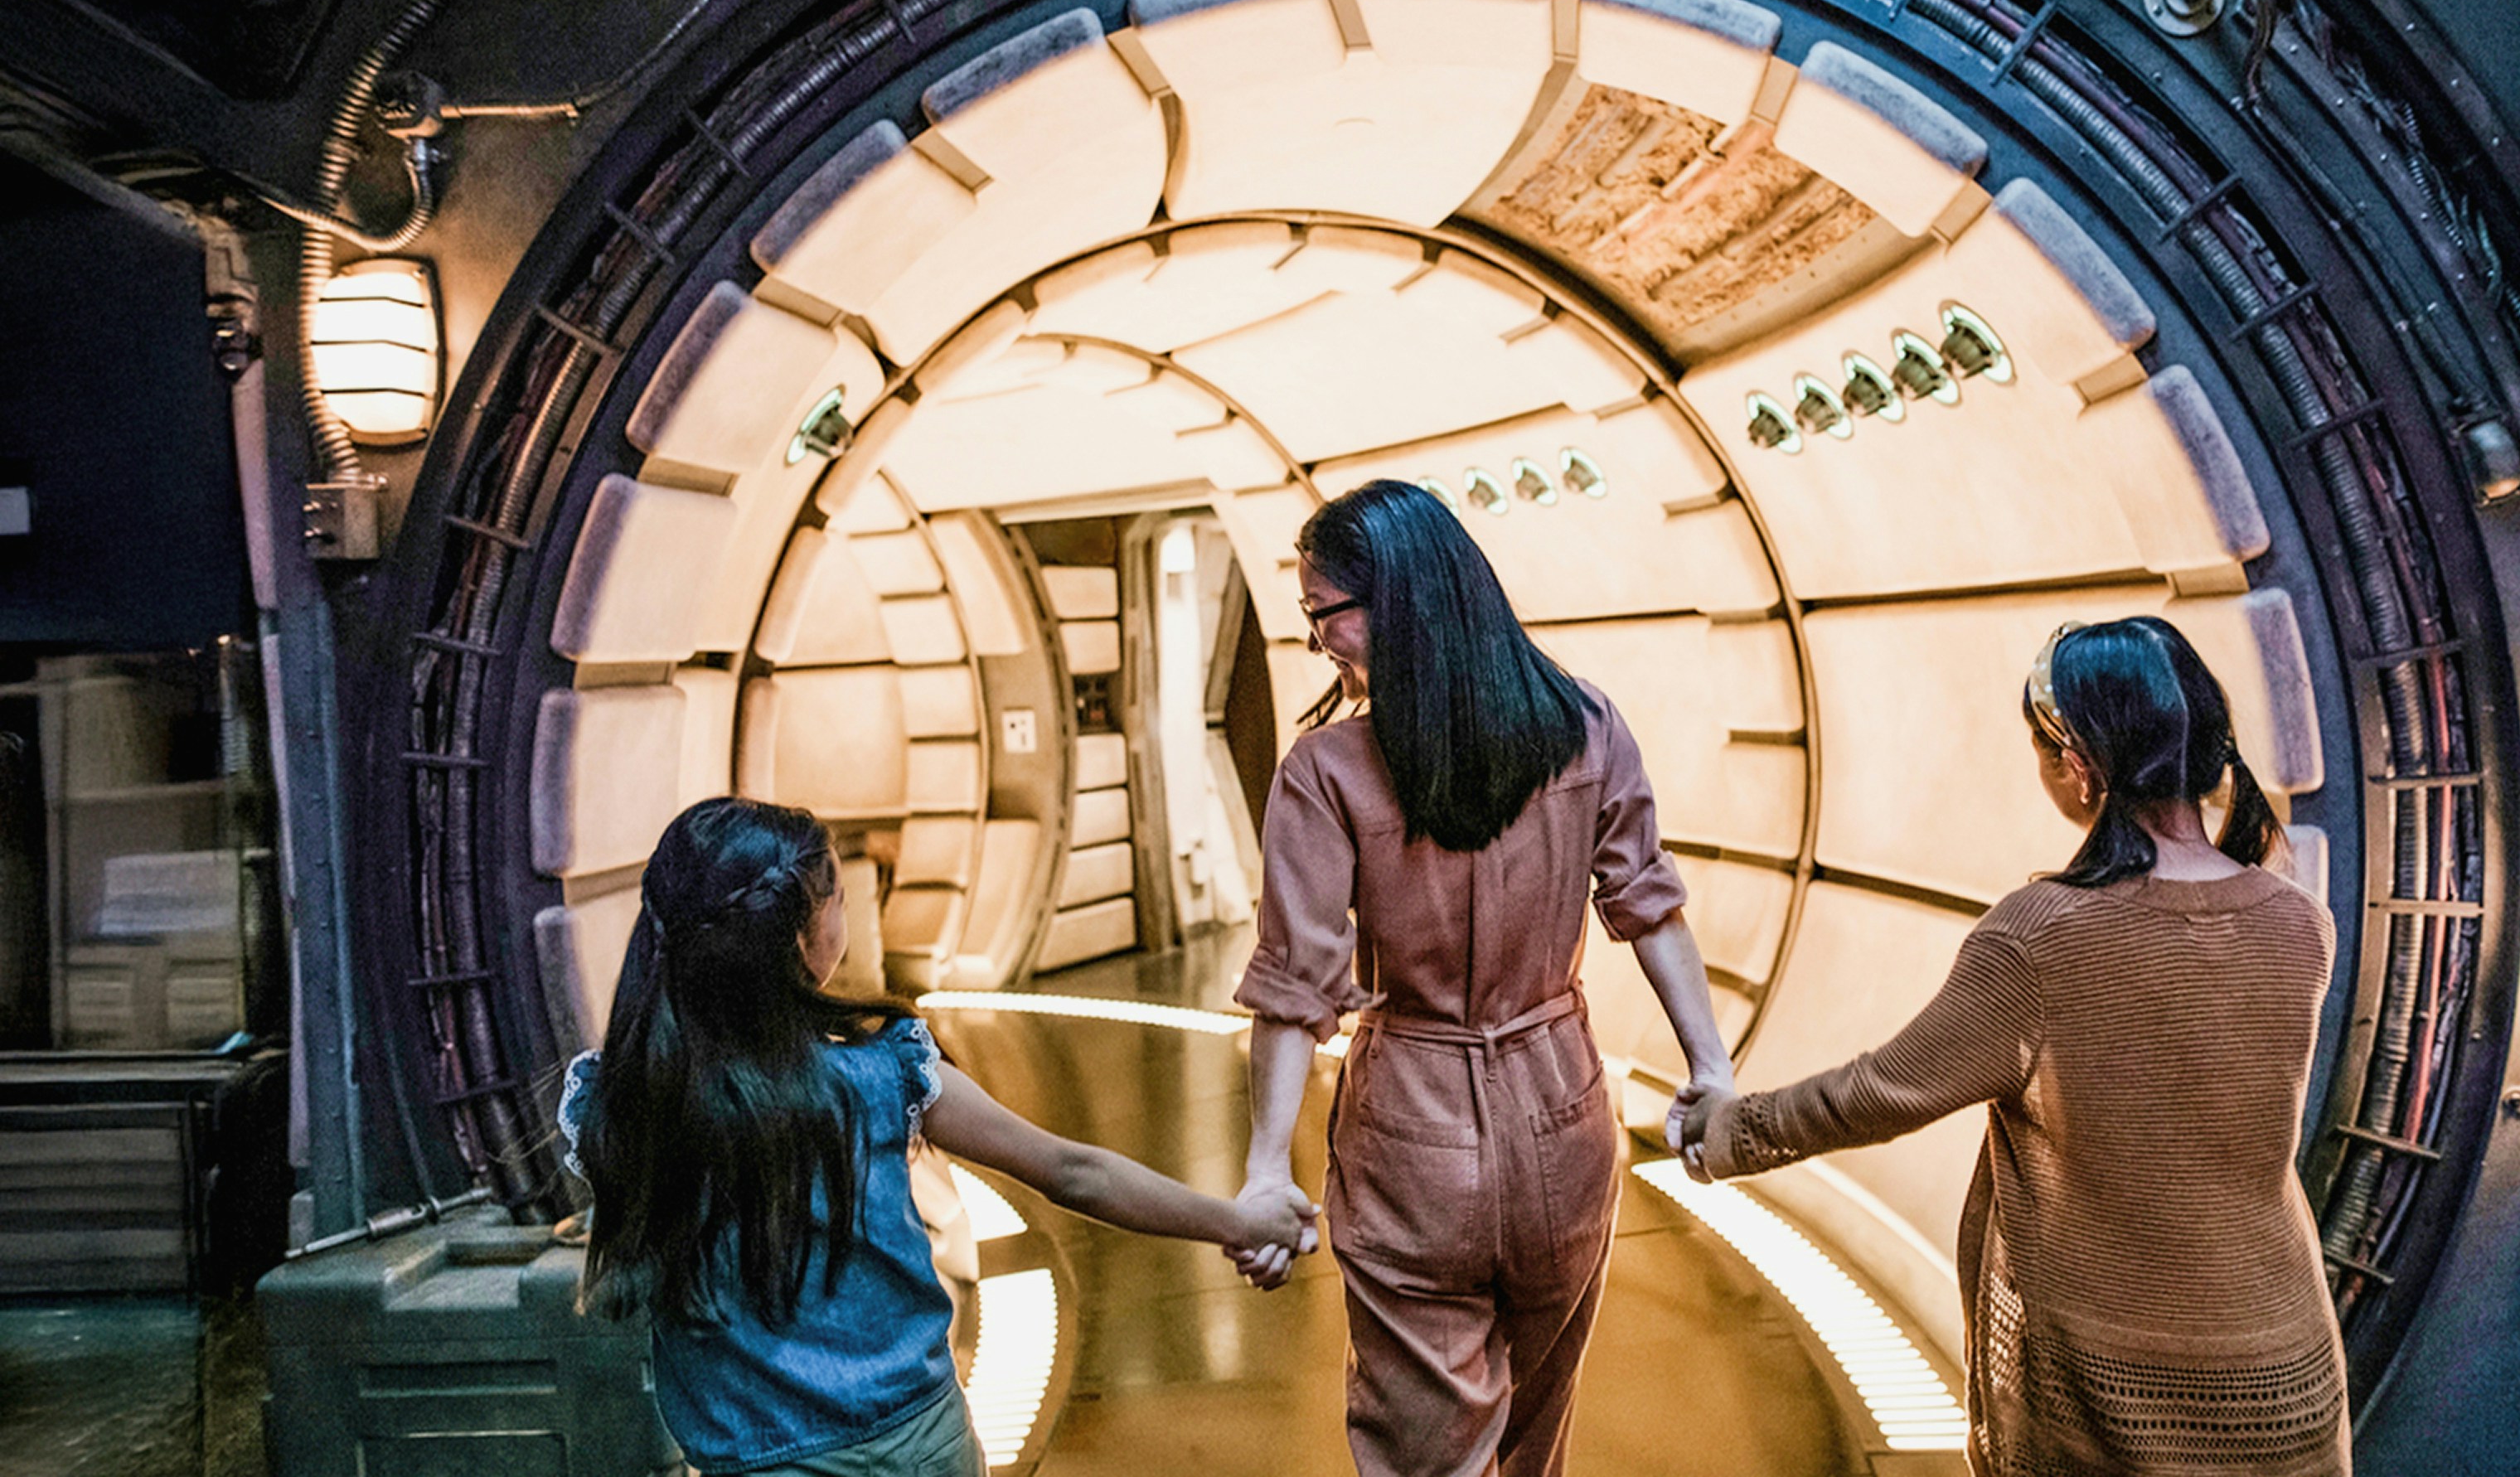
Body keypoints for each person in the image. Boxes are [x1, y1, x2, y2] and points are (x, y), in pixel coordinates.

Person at [1675, 617, 2351, 1477]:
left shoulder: (2038, 938)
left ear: (2076, 763)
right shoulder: (2299, 922)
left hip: (2115, 1401)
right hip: (2286, 1378)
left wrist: (1728, 1130)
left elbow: (1880, 1091)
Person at [563, 797, 1315, 1477]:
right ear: (802, 939)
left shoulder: (613, 1105)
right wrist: (1242, 1222)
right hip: (916, 1447)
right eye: (841, 900)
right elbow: (1071, 1170)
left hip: (750, 1458)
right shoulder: (884, 1070)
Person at [1229, 478, 1737, 1477]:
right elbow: (1647, 904)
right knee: (1533, 1434)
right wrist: (1708, 1063)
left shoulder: (1328, 770)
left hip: (1409, 1135)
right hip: (1564, 1115)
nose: (1318, 640)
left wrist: (1262, 1165)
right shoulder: (1584, 723)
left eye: (1320, 615)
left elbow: (1296, 989)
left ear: (1392, 603)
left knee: (1426, 1451)